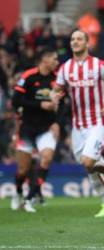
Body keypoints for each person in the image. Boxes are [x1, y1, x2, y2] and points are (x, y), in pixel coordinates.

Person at [52, 30, 104, 218]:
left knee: (88, 160)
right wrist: (55, 96)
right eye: (72, 39)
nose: (75, 42)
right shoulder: (65, 68)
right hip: (78, 124)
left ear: (87, 43)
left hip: (98, 121)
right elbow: (56, 89)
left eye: (79, 39)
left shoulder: (99, 65)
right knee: (88, 166)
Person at [11, 47, 60, 213]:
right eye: (54, 59)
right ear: (44, 59)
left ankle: (29, 198)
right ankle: (18, 193)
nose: (56, 62)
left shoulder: (57, 79)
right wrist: (40, 104)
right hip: (27, 128)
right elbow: (15, 101)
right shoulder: (28, 76)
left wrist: (57, 122)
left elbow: (62, 105)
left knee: (46, 159)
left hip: (46, 128)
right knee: (23, 170)